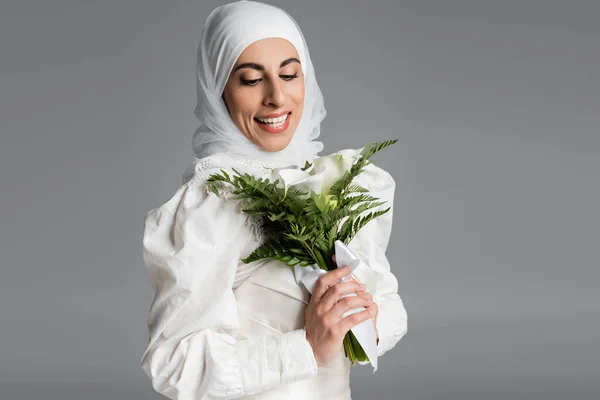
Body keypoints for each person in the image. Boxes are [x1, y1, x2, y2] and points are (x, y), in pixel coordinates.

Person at [140, 1, 408, 399]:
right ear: (219, 91)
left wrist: (362, 317)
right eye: (251, 80)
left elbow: (387, 306)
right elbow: (174, 364)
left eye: (289, 74)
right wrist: (306, 348)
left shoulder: (337, 183)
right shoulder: (211, 203)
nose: (277, 97)